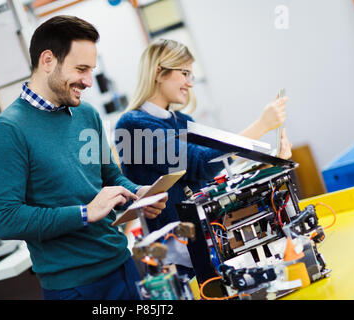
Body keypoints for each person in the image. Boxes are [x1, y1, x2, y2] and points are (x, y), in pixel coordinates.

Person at [0, 15, 167, 300]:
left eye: (91, 70)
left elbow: (110, 177)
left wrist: (139, 193)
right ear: (47, 61)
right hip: (73, 288)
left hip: (122, 265)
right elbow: (7, 219)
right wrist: (85, 213)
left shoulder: (86, 114)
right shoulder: (7, 132)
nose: (89, 81)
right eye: (81, 69)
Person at [115, 39, 292, 279]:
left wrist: (269, 163)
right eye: (184, 73)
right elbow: (199, 165)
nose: (190, 82)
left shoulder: (181, 121)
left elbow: (213, 170)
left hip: (209, 239)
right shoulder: (133, 126)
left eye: (191, 75)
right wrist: (260, 126)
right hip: (175, 254)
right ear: (159, 72)